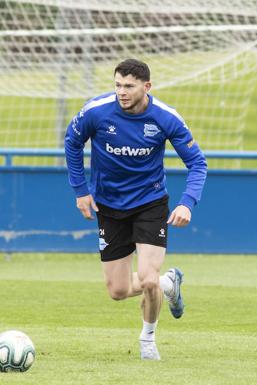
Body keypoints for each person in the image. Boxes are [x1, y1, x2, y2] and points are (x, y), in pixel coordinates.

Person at [64, 58, 207, 360]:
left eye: (129, 86)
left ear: (147, 86)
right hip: (109, 204)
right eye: (117, 85)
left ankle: (148, 340)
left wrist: (187, 203)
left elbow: (197, 163)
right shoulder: (96, 112)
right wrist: (80, 191)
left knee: (148, 278)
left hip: (150, 203)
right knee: (117, 290)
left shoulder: (166, 118)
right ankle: (170, 283)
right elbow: (72, 142)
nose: (122, 92)